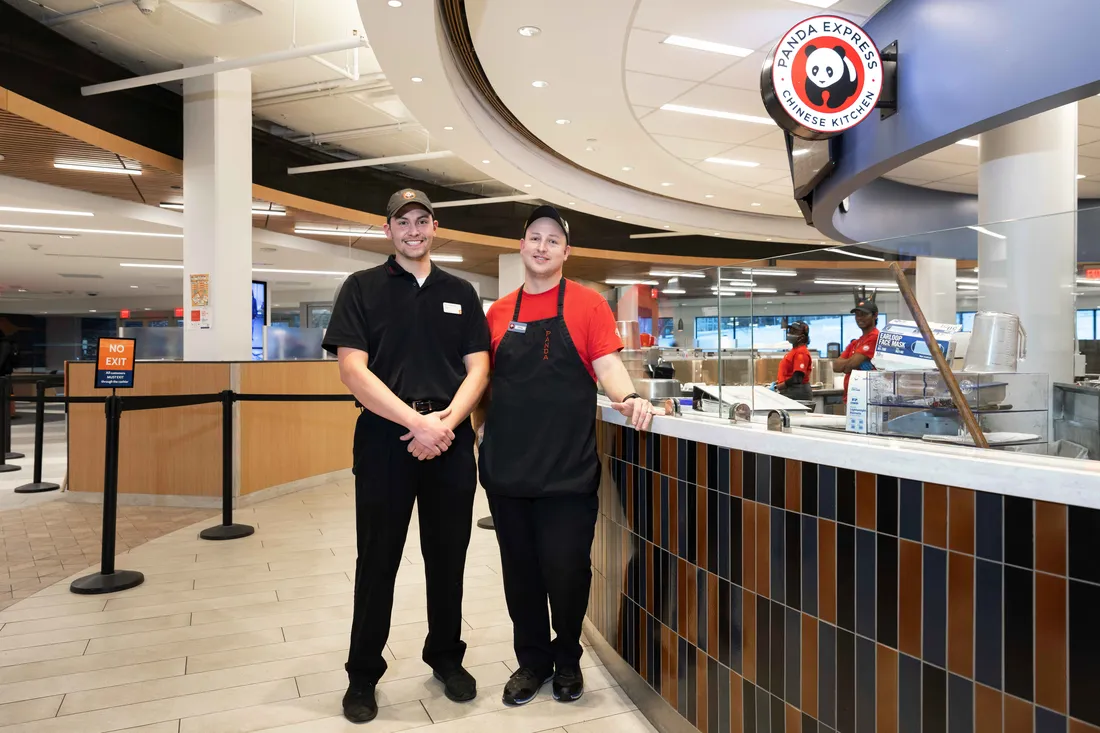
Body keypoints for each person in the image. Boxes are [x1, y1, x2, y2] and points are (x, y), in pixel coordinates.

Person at [323, 188, 491, 724]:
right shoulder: (361, 288)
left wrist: (445, 423)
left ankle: (445, 656)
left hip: (449, 439)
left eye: (422, 221)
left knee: (449, 557)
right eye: (403, 222)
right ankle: (363, 674)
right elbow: (353, 370)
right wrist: (415, 422)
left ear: (434, 227)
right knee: (377, 561)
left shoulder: (461, 291)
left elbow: (479, 369)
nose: (413, 230)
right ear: (388, 229)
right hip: (385, 440)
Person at [477, 205, 656, 707]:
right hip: (507, 469)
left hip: (567, 468)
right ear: (521, 245)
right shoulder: (497, 312)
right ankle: (531, 661)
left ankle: (568, 659)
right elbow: (484, 381)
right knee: (521, 572)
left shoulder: (587, 304)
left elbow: (607, 364)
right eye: (534, 237)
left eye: (552, 240)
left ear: (566, 252)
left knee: (567, 569)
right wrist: (477, 429)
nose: (541, 246)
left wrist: (629, 397)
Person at [833, 293, 880, 396]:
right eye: (857, 315)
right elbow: (836, 366)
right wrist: (849, 365)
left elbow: (852, 364)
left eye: (864, 314)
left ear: (875, 315)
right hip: (851, 397)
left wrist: (848, 366)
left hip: (866, 396)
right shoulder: (856, 342)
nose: (859, 318)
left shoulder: (875, 337)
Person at [770, 320, 813, 400]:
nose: (790, 333)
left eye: (794, 332)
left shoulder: (801, 353)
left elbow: (797, 378)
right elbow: (788, 373)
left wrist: (777, 387)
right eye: (790, 330)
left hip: (797, 393)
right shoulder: (794, 351)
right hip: (791, 391)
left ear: (802, 337)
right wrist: (778, 382)